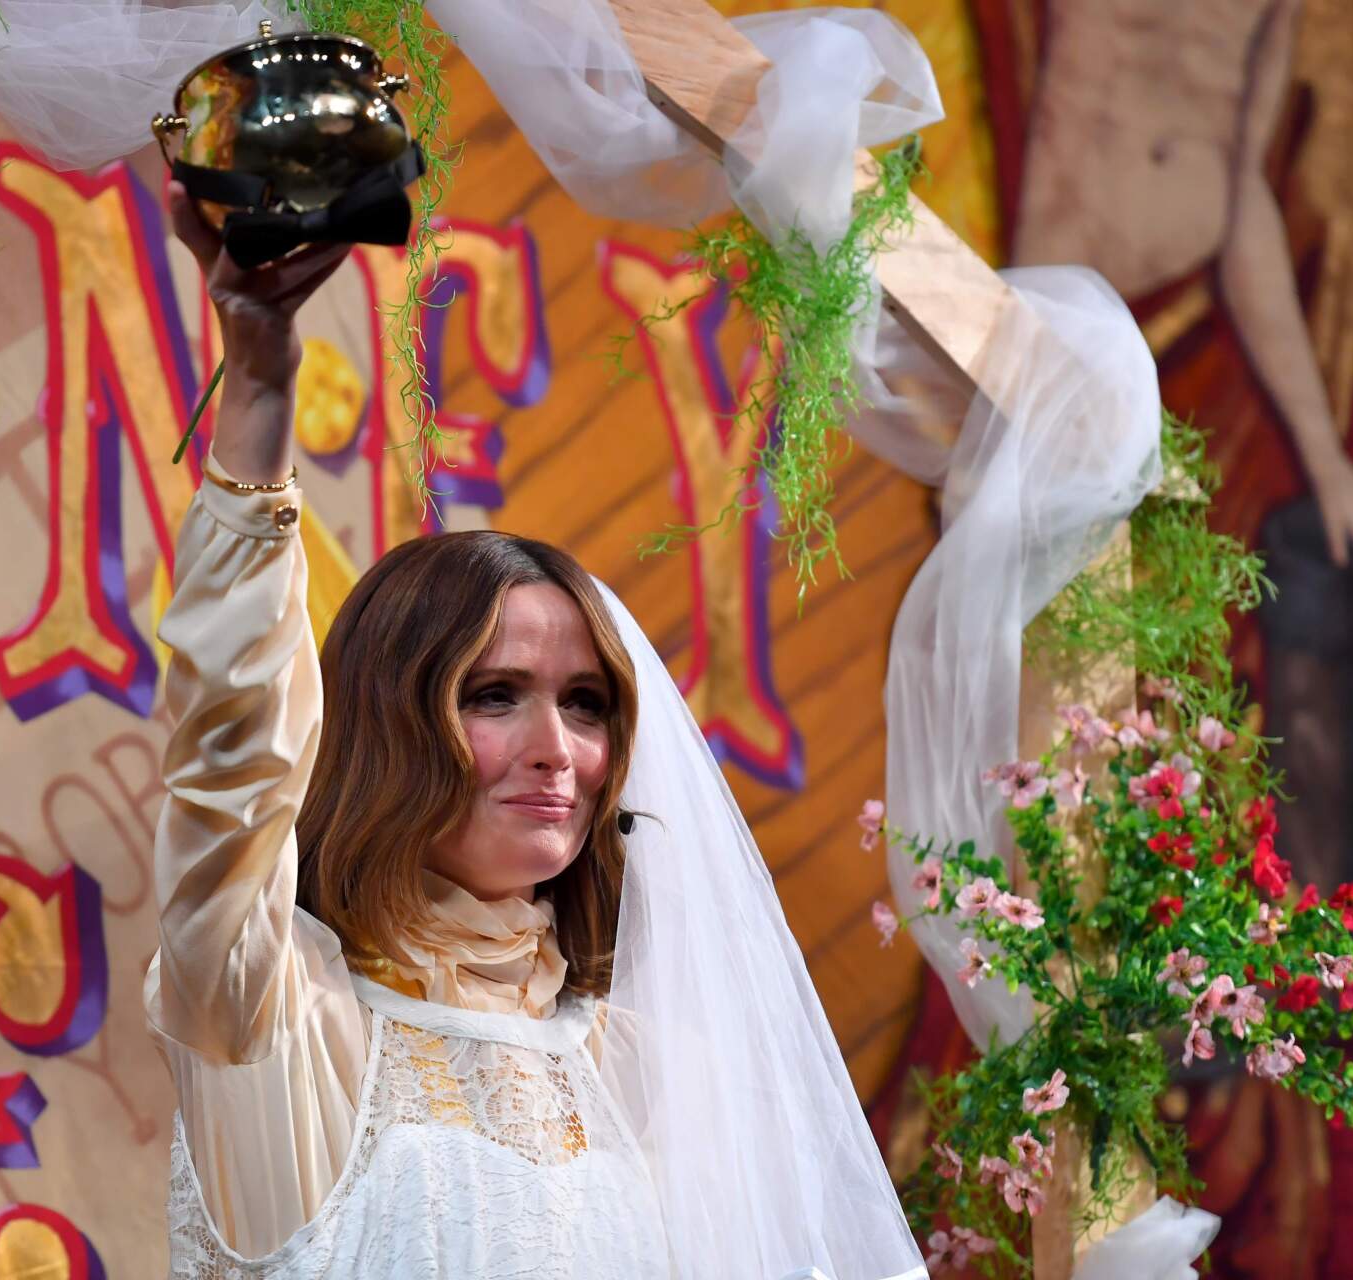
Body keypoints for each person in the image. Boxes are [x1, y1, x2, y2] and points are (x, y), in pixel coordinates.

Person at [147, 184, 923, 1279]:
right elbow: (228, 758)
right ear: (385, 722)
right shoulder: (281, 1016)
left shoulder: (632, 1056)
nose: (560, 748)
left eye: (587, 701)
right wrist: (262, 376)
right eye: (494, 693)